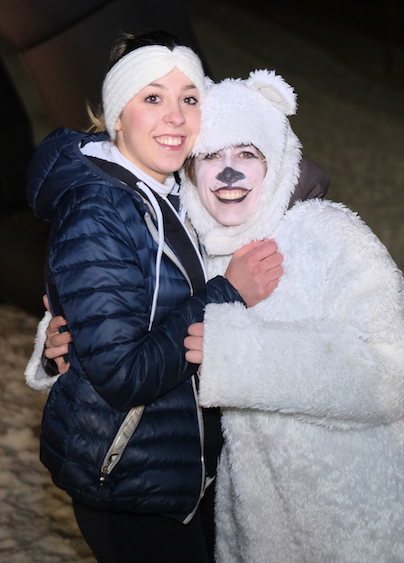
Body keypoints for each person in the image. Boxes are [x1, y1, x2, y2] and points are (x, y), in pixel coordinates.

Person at [179, 70, 404, 562]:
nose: (229, 172)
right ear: (191, 170)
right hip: (267, 533)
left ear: (276, 161)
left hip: (378, 524)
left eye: (247, 154)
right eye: (211, 156)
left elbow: (392, 366)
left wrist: (240, 356)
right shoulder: (199, 258)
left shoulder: (326, 232)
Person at [23, 31, 284, 563]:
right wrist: (229, 293)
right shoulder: (99, 211)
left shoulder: (171, 192)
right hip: (130, 481)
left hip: (179, 470)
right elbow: (123, 374)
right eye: (152, 97)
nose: (175, 117)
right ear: (118, 115)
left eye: (189, 98)